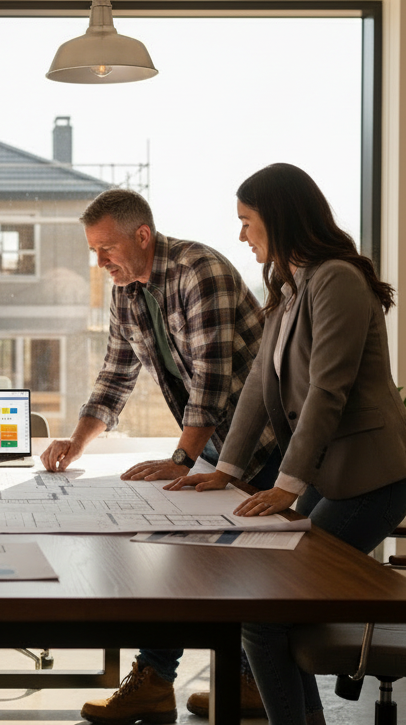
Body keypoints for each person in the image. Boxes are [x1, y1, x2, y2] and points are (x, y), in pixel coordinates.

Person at [169, 163, 406, 725]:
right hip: (334, 477)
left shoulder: (337, 281)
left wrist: (286, 486)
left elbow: (328, 391)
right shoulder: (292, 288)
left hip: (370, 480)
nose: (241, 235)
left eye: (247, 221)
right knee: (279, 606)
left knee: (266, 613)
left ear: (278, 219)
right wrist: (227, 469)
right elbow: (258, 386)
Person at [41, 188, 281, 725]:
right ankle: (157, 681)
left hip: (264, 445)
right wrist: (73, 444)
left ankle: (248, 681)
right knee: (173, 550)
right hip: (214, 444)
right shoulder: (128, 290)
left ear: (142, 236)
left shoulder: (201, 272)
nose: (98, 263)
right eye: (94, 252)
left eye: (106, 250)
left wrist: (181, 459)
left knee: (252, 567)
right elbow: (115, 375)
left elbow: (212, 379)